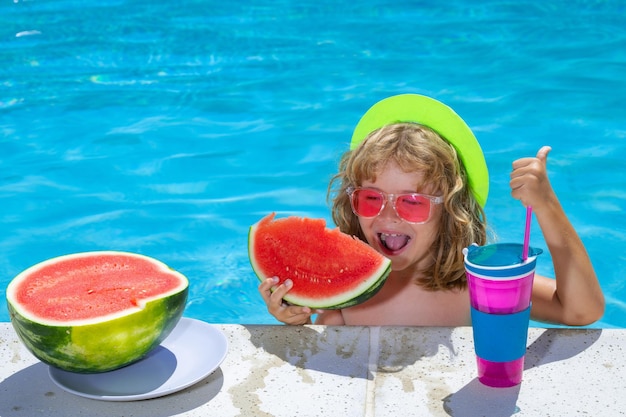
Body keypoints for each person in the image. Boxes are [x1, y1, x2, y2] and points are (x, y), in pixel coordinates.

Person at [258, 94, 605, 326]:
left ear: (450, 211)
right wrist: (296, 318)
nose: (388, 216)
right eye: (372, 198)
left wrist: (547, 207)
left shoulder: (479, 284)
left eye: (412, 201)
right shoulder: (346, 295)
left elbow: (580, 309)